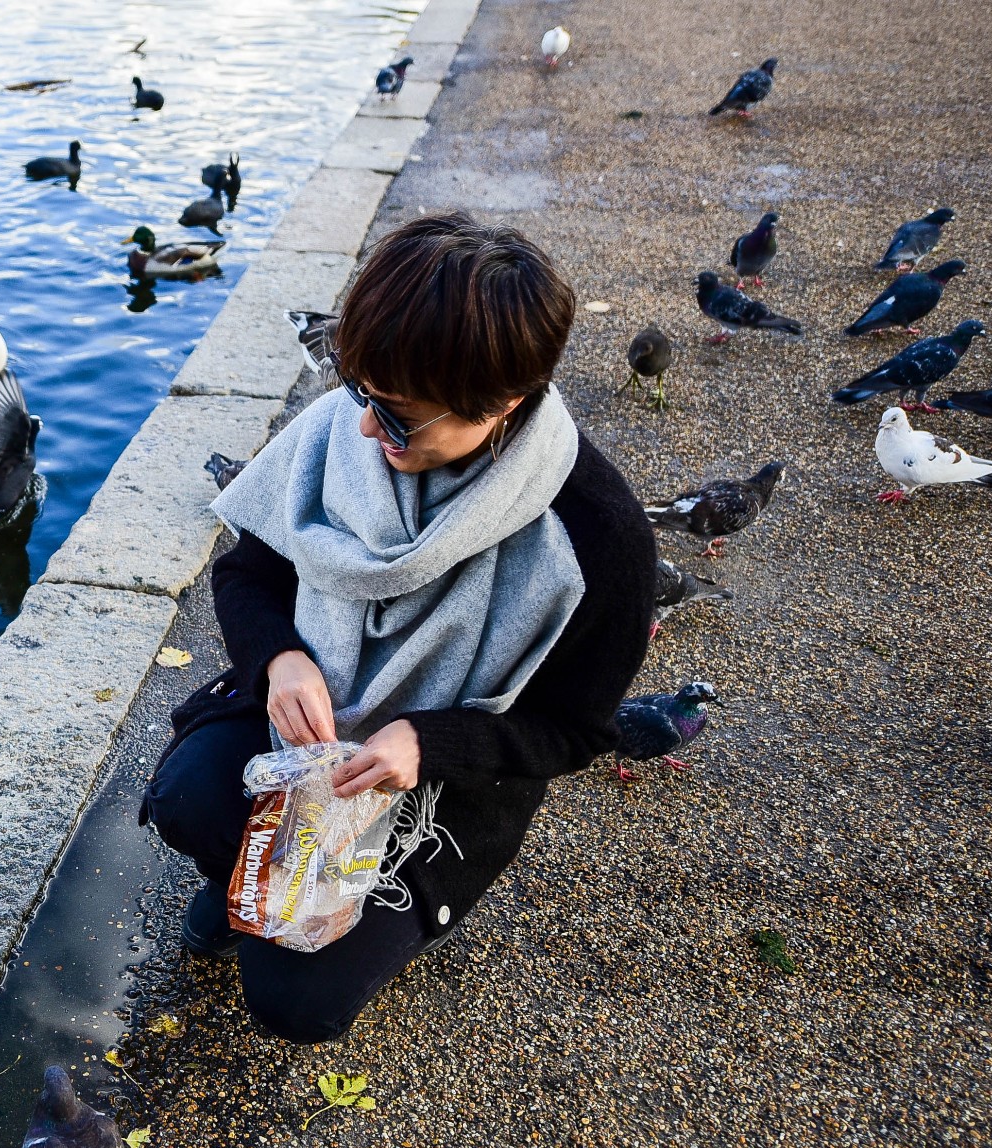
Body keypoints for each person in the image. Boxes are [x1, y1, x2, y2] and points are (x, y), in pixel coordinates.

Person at [142, 212, 655, 1044]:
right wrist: (278, 660)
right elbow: (247, 571)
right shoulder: (345, 427)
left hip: (444, 781)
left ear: (504, 404)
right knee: (184, 799)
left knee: (295, 1002)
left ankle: (375, 925)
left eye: (403, 417)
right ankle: (233, 874)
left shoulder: (600, 539)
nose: (368, 429)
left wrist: (431, 745)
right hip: (299, 714)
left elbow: (572, 729)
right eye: (361, 392)